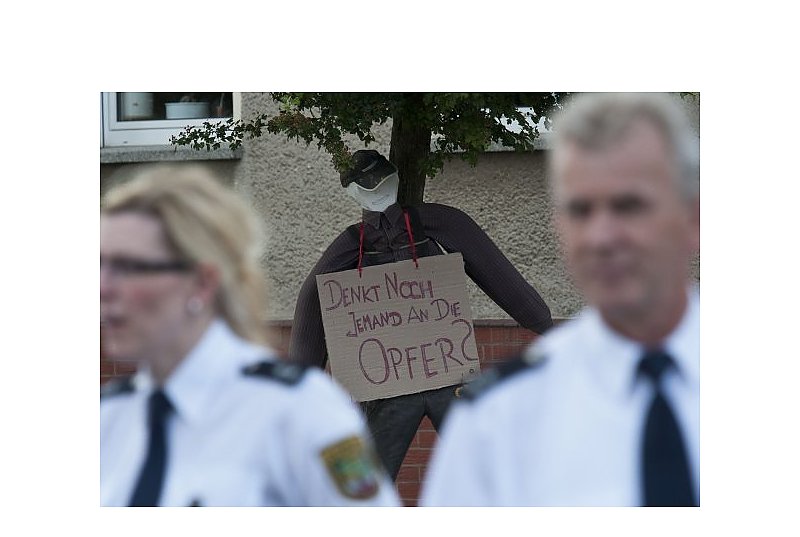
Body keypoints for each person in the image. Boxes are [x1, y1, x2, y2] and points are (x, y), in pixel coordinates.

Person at [421, 92, 700, 506]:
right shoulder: (500, 420)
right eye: (580, 210)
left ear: (693, 218)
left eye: (629, 206)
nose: (601, 236)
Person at [100, 165, 399, 507]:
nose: (103, 288)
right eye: (99, 264)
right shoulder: (109, 417)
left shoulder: (299, 409)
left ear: (202, 282)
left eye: (129, 267)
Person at [289, 149, 554, 481]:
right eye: (368, 184)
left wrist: (540, 320)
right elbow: (313, 299)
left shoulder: (434, 222)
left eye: (382, 180)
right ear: (353, 192)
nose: (377, 189)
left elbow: (491, 267)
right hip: (387, 385)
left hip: (446, 370)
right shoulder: (352, 243)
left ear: (397, 180)